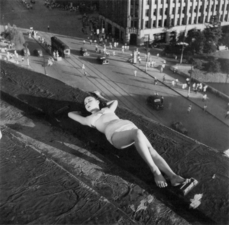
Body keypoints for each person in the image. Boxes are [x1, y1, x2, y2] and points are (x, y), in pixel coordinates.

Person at [68, 91, 189, 188]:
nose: (87, 103)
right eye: (85, 104)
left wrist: (100, 97)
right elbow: (70, 114)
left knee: (151, 150)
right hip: (116, 135)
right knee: (138, 133)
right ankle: (155, 171)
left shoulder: (108, 109)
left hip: (129, 127)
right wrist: (83, 111)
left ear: (97, 101)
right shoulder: (89, 119)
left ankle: (173, 176)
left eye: (89, 100)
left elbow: (115, 101)